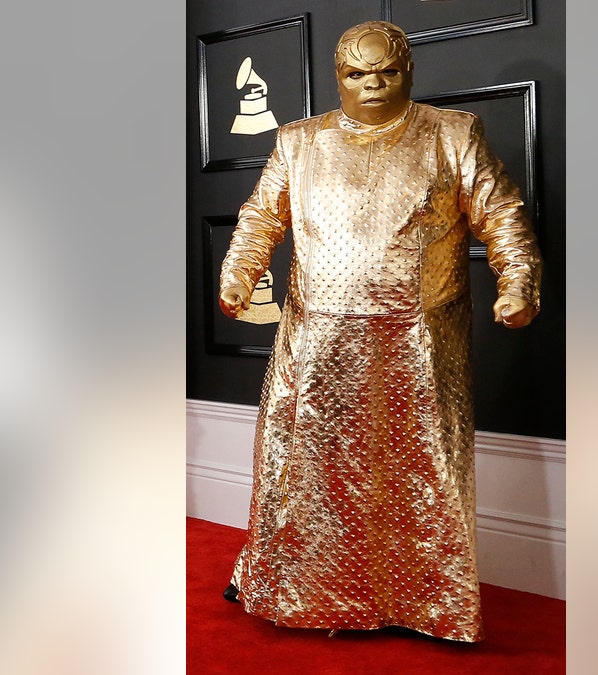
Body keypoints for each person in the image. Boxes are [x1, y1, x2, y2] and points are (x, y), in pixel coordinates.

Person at [217, 20, 542, 643]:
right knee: (306, 469)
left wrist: (518, 281)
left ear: (409, 72)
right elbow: (261, 216)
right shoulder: (300, 141)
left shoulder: (452, 134)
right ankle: (293, 588)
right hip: (317, 340)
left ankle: (422, 604)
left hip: (417, 343)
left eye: (387, 72)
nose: (373, 84)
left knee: (418, 475)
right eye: (357, 74)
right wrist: (238, 273)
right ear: (338, 76)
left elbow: (500, 213)